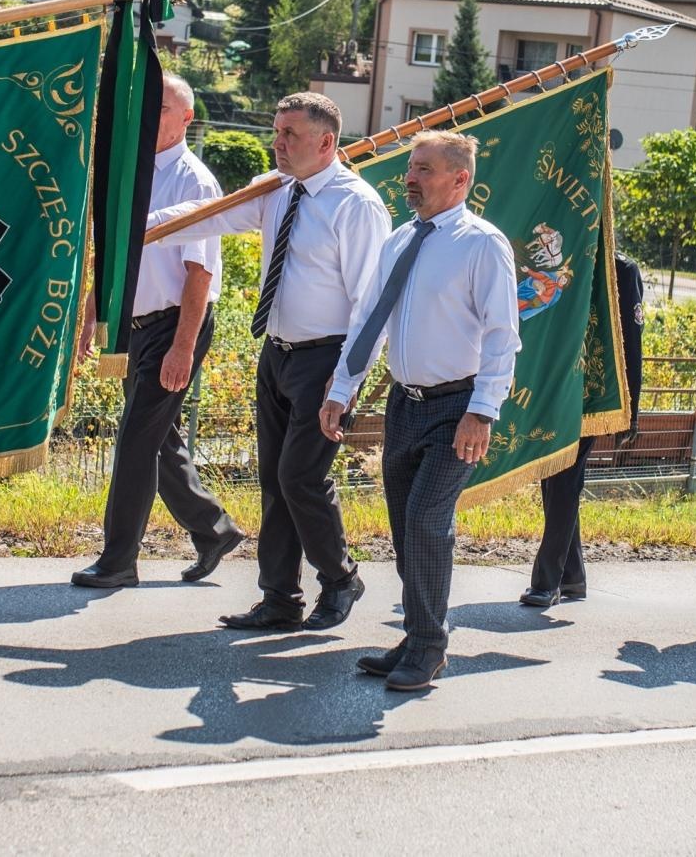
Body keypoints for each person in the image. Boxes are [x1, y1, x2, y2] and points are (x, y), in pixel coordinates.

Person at [148, 92, 391, 631]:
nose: (277, 143)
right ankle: (280, 597)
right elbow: (208, 216)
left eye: (290, 135)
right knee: (275, 481)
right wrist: (139, 226)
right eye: (277, 132)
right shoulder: (278, 188)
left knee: (300, 477)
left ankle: (341, 578)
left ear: (326, 143)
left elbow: (370, 308)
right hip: (277, 353)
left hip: (327, 360)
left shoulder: (356, 205)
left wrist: (345, 383)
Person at [321, 130, 520, 691]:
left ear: (460, 179)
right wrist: (342, 388)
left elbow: (503, 336)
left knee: (428, 522)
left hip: (457, 407)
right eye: (411, 168)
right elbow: (369, 321)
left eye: (424, 169)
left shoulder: (483, 244)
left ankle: (430, 647)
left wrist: (482, 411)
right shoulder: (399, 240)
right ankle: (416, 636)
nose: (410, 178)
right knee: (406, 529)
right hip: (404, 405)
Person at [70, 73, 243, 589]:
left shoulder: (195, 182)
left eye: (160, 108)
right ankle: (214, 529)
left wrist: (183, 347)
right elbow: (115, 254)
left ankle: (118, 561)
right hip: (135, 326)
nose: (148, 116)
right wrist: (93, 317)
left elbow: (200, 273)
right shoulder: (132, 172)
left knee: (135, 442)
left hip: (174, 326)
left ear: (186, 118)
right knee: (158, 440)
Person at [519, 251, 644, 607]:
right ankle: (572, 577)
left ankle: (547, 581)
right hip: (553, 389)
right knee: (554, 479)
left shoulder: (621, 269)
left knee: (564, 479)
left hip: (592, 395)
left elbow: (631, 341)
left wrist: (631, 409)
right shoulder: (562, 264)